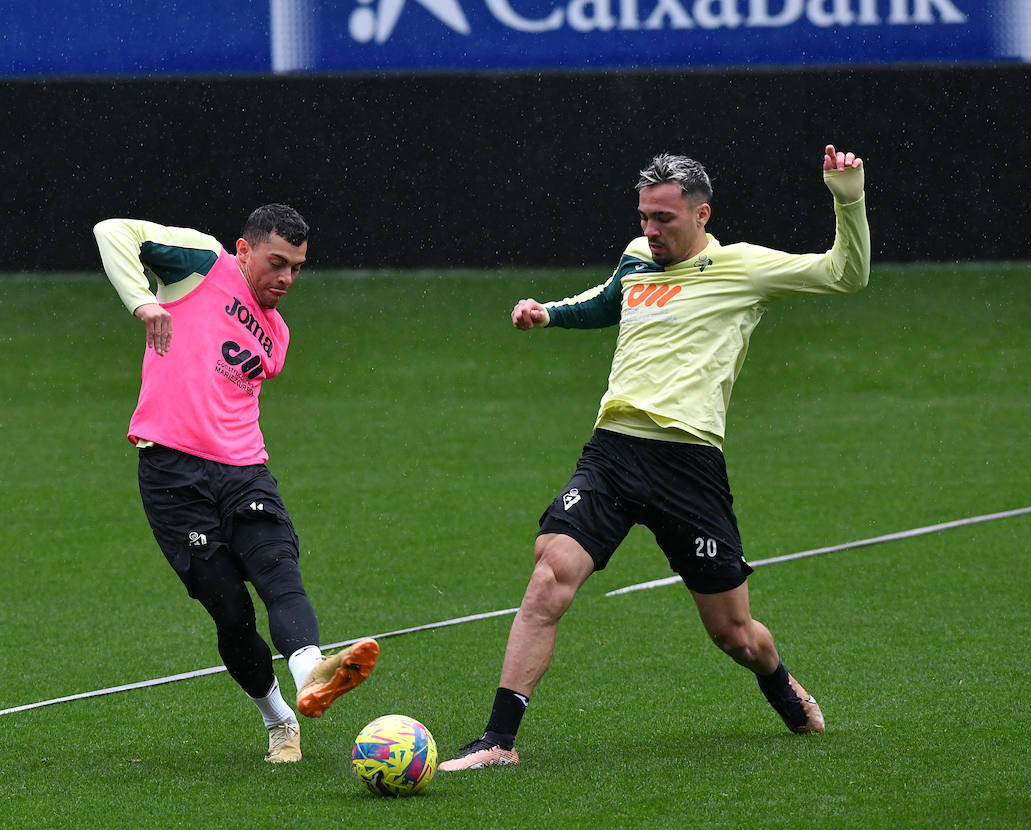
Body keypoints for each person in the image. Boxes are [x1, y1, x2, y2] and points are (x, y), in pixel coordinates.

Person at [439, 147, 869, 771]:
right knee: (549, 573)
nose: (650, 230)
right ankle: (498, 741)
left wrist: (847, 195)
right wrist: (548, 314)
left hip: (689, 466)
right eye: (644, 216)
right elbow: (609, 300)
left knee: (734, 634)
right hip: (612, 452)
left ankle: (777, 678)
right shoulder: (638, 258)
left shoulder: (742, 268)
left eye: (664, 218)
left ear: (702, 215)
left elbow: (845, 275)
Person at [93, 204, 379, 764]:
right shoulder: (201, 263)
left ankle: (312, 672)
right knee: (229, 610)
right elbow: (112, 231)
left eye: (297, 268)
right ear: (245, 250)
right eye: (277, 263)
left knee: (278, 570)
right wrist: (144, 301)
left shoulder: (276, 335)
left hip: (245, 469)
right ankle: (279, 721)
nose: (287, 279)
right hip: (172, 475)